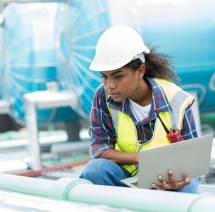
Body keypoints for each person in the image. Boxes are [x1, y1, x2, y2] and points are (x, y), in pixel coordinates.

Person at [79, 25, 199, 193]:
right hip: (127, 179)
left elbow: (191, 158)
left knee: (188, 188)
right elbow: (100, 149)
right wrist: (142, 159)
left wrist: (176, 181)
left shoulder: (176, 99)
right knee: (95, 170)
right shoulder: (103, 96)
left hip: (168, 178)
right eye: (104, 77)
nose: (110, 85)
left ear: (140, 71)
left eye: (118, 76)